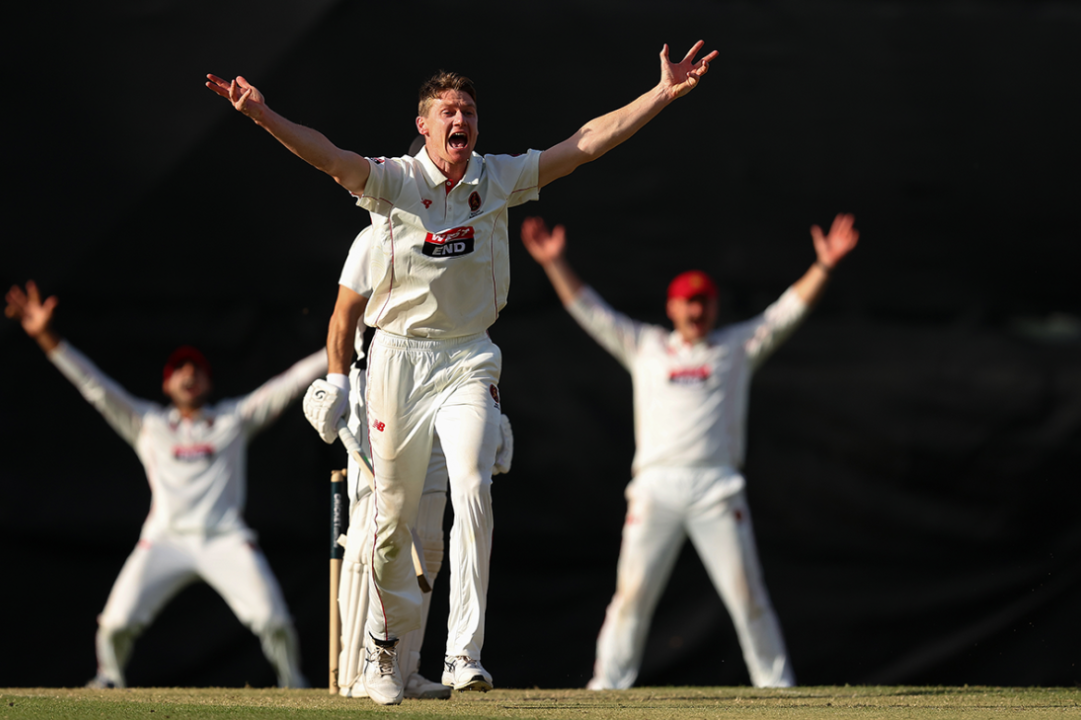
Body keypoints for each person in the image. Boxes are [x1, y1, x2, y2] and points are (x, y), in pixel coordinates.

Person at [206, 42, 717, 704]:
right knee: (391, 521)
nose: (461, 121)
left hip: (469, 354)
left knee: (474, 484)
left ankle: (462, 656)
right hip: (396, 357)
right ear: (423, 124)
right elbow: (329, 157)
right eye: (448, 111)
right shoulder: (393, 181)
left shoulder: (495, 177)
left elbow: (584, 144)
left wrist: (661, 95)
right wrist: (262, 114)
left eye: (469, 111)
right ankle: (385, 654)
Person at [519, 213, 860, 689]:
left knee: (747, 596)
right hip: (655, 487)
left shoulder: (736, 348)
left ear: (713, 308)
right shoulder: (646, 345)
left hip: (717, 487)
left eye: (703, 304)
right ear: (672, 307)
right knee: (631, 595)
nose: (696, 312)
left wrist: (823, 267)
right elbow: (591, 311)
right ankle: (606, 688)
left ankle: (777, 688)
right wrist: (555, 264)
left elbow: (786, 312)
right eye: (688, 304)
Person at [4, 281, 325, 689]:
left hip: (225, 538)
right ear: (166, 385)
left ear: (208, 383)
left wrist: (340, 339)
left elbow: (292, 381)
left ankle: (292, 684)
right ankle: (110, 679)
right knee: (116, 624)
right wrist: (46, 337)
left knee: (272, 620)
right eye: (179, 370)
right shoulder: (148, 425)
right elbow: (94, 386)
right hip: (164, 539)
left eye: (196, 369)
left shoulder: (233, 421)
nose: (188, 374)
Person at [317, 220, 513, 700]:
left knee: (427, 540)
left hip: (450, 382)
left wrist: (493, 417)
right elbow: (345, 315)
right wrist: (337, 383)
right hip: (387, 387)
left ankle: (404, 668)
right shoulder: (376, 235)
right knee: (378, 529)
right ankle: (357, 671)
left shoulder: (471, 234)